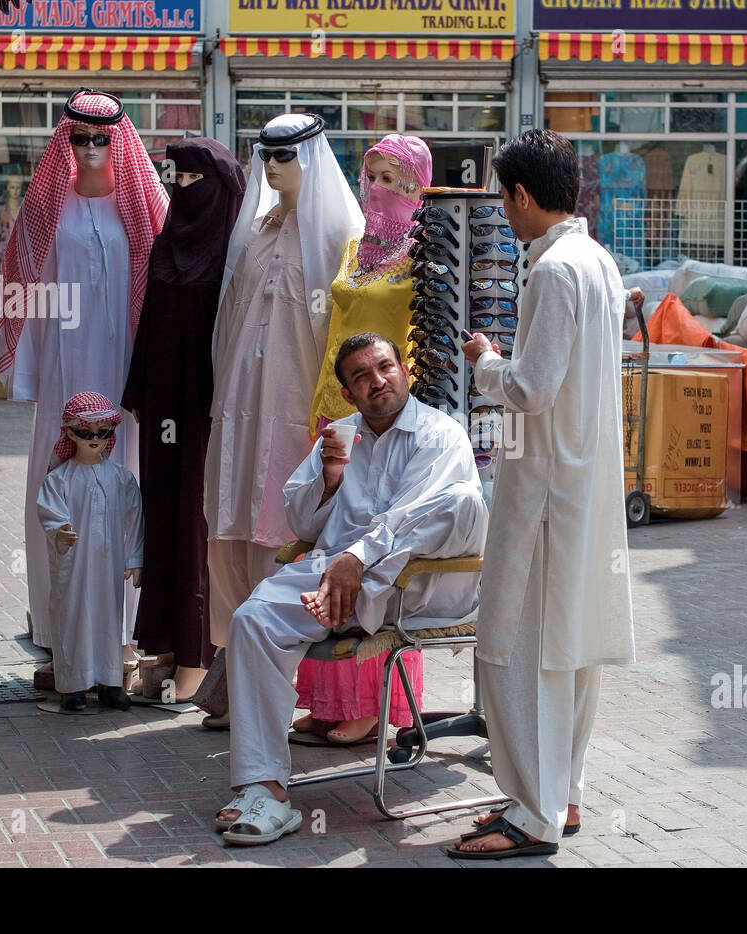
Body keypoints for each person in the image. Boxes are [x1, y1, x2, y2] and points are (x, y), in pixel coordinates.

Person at [215, 333, 488, 846]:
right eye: (361, 376)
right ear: (347, 393)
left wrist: (356, 559)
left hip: (413, 588)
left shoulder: (440, 433)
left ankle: (353, 588)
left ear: (404, 370)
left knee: (460, 499)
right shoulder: (338, 435)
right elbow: (300, 520)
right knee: (251, 619)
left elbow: (425, 515)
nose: (377, 381)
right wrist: (331, 478)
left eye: (384, 368)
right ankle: (265, 789)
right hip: (331, 579)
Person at [453, 130, 636, 860]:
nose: (504, 212)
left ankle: (532, 812)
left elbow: (532, 388)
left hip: (545, 492)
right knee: (570, 648)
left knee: (514, 649)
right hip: (582, 485)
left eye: (504, 199)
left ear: (522, 197)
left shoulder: (553, 271)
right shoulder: (597, 261)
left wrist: (487, 363)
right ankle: (562, 794)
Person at [196, 113, 362, 722]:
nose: (272, 166)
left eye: (285, 156)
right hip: (238, 405)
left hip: (298, 410)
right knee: (233, 531)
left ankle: (285, 684)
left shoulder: (339, 231)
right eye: (265, 155)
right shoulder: (256, 228)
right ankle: (236, 672)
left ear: (311, 159)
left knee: (283, 533)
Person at [0, 88, 167, 655]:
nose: (90, 148)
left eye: (101, 138)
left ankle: (127, 628)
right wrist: (25, 373)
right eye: (79, 139)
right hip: (64, 372)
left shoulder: (143, 208)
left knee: (127, 481)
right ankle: (58, 626)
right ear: (65, 142)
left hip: (126, 371)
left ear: (118, 141)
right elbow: (22, 287)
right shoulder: (47, 208)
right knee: (61, 488)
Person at [296, 133, 433, 744]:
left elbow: (424, 340)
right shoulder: (354, 248)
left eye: (400, 180)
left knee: (377, 554)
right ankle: (328, 698)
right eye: (374, 174)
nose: (383, 189)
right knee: (325, 548)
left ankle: (374, 705)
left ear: (420, 188)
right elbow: (336, 333)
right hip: (338, 409)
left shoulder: (425, 252)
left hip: (391, 413)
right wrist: (321, 405)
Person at [122, 137, 245, 702]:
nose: (184, 189)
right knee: (163, 516)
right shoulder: (169, 238)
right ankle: (165, 644)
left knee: (196, 524)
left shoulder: (233, 247)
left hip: (206, 407)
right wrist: (141, 392)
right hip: (163, 407)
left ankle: (199, 654)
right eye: (179, 180)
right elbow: (150, 320)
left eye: (197, 181)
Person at [37, 392, 144, 712]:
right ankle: (73, 686)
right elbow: (50, 514)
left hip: (110, 566)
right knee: (73, 618)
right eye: (86, 432)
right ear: (70, 433)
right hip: (74, 566)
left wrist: (134, 559)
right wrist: (60, 531)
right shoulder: (59, 479)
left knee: (109, 620)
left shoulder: (121, 477)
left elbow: (135, 518)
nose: (95, 439)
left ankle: (110, 683)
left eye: (103, 432)